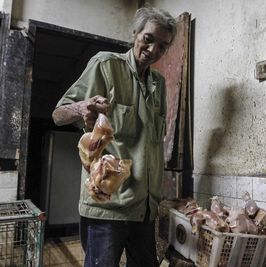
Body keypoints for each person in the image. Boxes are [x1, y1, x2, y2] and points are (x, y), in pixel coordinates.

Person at [52, 5, 177, 267]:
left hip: (145, 208)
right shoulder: (106, 64)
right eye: (149, 39)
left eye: (163, 46)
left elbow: (152, 143)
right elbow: (58, 115)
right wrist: (81, 107)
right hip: (109, 207)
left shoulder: (160, 84)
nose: (154, 50)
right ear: (136, 33)